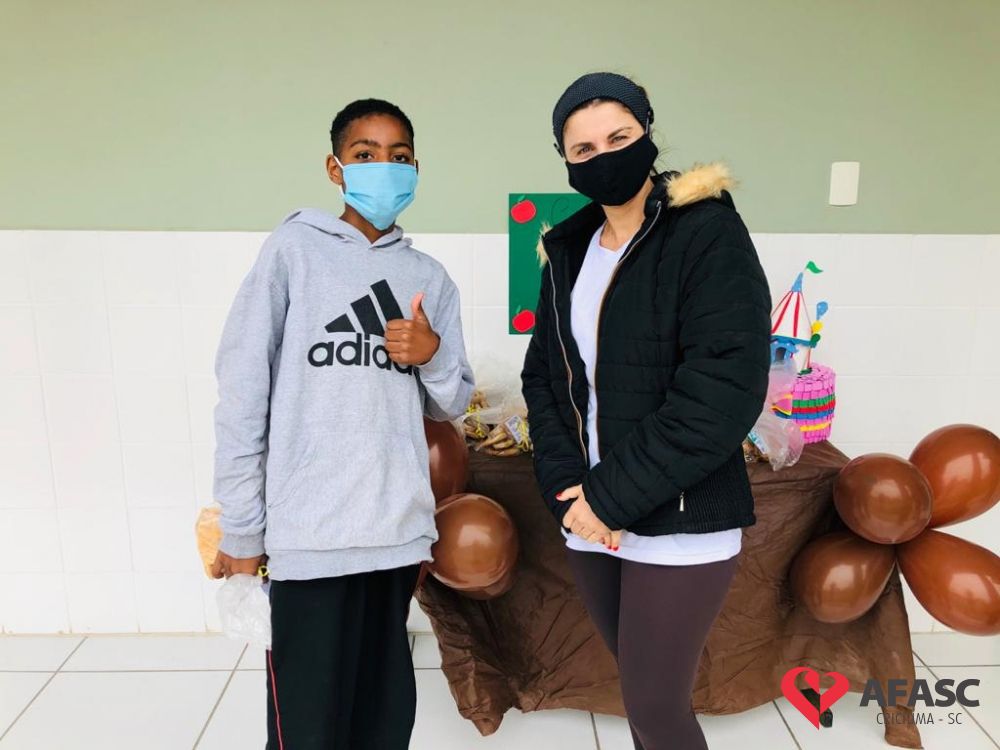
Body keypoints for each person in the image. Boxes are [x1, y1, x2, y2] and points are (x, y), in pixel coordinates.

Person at [211, 98, 474, 750]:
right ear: (335, 168)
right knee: (307, 730)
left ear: (416, 170)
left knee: (380, 723)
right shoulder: (293, 252)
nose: (385, 167)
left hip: (394, 535)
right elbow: (243, 389)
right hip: (309, 539)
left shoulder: (428, 278)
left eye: (400, 156)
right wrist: (242, 526)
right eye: (365, 154)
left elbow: (451, 404)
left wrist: (432, 354)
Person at [521, 72, 771, 750]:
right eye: (583, 148)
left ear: (648, 133)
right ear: (565, 160)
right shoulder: (567, 250)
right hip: (590, 517)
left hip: (678, 516)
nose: (603, 156)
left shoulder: (706, 232)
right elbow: (545, 376)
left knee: (658, 708)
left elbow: (722, 389)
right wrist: (568, 487)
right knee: (639, 702)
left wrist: (609, 498)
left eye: (619, 137)